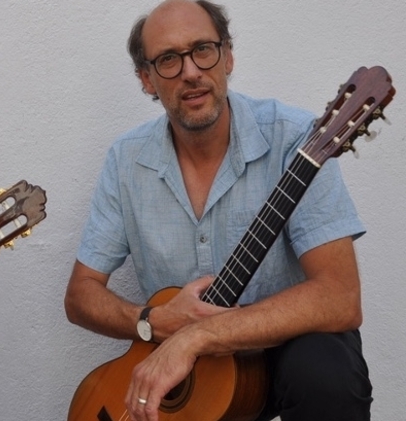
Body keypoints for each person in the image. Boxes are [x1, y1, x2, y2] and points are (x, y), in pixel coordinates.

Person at [64, 1, 372, 420]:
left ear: (227, 56)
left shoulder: (296, 140)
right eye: (168, 59)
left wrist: (200, 335)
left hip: (283, 351)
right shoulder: (126, 161)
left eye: (203, 50)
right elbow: (81, 295)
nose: (191, 71)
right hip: (189, 373)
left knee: (325, 371)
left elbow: (340, 297)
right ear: (147, 79)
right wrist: (151, 321)